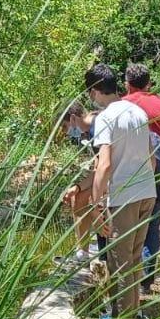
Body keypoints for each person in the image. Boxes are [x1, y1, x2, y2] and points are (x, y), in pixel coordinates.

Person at [86, 63, 157, 319]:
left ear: (94, 91)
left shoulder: (105, 118)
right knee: (135, 259)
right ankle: (131, 315)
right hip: (146, 191)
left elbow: (104, 165)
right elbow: (151, 158)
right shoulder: (137, 111)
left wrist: (96, 204)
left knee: (120, 263)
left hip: (124, 196)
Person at [125, 64, 160, 291]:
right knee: (153, 223)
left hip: (140, 164)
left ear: (127, 84)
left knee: (132, 222)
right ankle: (147, 278)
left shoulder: (126, 105)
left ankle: (132, 279)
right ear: (148, 82)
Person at [56, 100, 99, 266]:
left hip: (119, 177)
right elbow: (98, 166)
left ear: (73, 118)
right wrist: (78, 187)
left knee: (84, 199)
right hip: (108, 175)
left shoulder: (97, 127)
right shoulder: (89, 132)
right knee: (77, 197)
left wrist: (97, 194)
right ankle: (82, 253)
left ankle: (85, 253)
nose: (67, 132)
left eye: (66, 127)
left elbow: (104, 166)